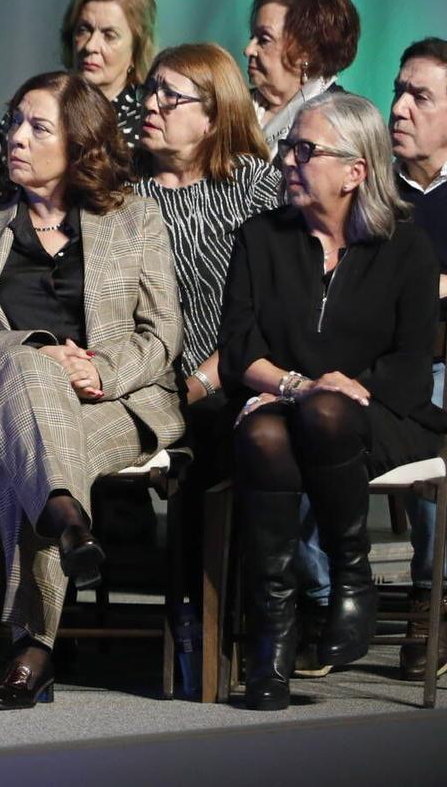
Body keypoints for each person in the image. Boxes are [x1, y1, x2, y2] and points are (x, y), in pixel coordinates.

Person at [0, 71, 182, 710]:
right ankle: (68, 522)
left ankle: (32, 646)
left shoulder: (135, 220)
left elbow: (162, 338)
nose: (15, 138)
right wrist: (36, 350)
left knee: (35, 460)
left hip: (114, 402)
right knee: (30, 372)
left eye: (37, 127)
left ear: (80, 146)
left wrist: (100, 371)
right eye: (15, 121)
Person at [219, 91, 445, 710]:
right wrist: (295, 385)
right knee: (267, 434)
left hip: (383, 418)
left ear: (355, 171)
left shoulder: (406, 249)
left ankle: (351, 571)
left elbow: (408, 367)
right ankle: (274, 637)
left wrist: (340, 391)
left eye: (305, 149)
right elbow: (240, 348)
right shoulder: (261, 237)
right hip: (283, 407)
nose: (288, 160)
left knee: (324, 416)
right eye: (287, 147)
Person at [129, 43, 283, 621]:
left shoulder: (254, 189)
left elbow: (268, 308)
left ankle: (228, 623)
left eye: (172, 95)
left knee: (227, 428)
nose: (153, 103)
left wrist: (201, 377)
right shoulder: (123, 192)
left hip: (235, 371)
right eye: (151, 89)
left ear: (215, 114)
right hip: (145, 376)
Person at [0, 0, 156, 209]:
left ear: (136, 49)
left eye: (109, 35)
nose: (91, 46)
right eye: (84, 30)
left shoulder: (147, 120)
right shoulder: (35, 103)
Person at [391, 38, 447, 679]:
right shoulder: (370, 185)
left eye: (420, 96)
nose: (400, 107)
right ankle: (321, 598)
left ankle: (429, 600)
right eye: (399, 91)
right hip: (372, 362)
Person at [245, 0, 361, 151]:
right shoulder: (229, 108)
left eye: (264, 39)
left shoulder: (344, 123)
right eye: (251, 37)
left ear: (306, 53)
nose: (248, 50)